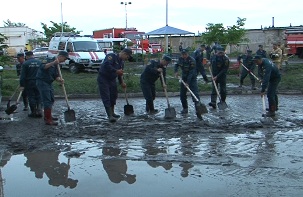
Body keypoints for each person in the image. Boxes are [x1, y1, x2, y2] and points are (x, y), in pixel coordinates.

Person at [97, 48, 133, 122]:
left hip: (112, 80)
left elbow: (120, 74)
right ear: (124, 53)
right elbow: (107, 65)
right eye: (127, 57)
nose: (127, 59)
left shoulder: (121, 63)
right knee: (106, 96)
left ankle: (112, 112)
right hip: (104, 78)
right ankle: (109, 115)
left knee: (113, 96)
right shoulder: (111, 56)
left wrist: (121, 82)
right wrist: (116, 71)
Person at [36, 51, 67, 125]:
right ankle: (48, 119)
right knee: (47, 100)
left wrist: (59, 79)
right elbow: (44, 67)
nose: (64, 61)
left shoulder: (57, 65)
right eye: (64, 59)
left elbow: (55, 75)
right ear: (61, 56)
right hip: (42, 82)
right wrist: (53, 63)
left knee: (51, 99)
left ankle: (49, 115)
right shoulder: (48, 60)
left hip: (49, 83)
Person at [174, 49, 201, 117]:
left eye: (185, 54)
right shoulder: (180, 59)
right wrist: (176, 71)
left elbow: (191, 73)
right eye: (183, 54)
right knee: (182, 94)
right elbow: (176, 65)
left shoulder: (192, 61)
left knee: (195, 93)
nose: (184, 56)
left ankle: (198, 109)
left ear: (187, 54)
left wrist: (188, 82)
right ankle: (185, 108)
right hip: (184, 77)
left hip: (192, 78)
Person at [19, 51, 42, 118]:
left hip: (29, 82)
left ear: (26, 56)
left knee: (31, 96)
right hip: (38, 81)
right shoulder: (39, 62)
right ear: (33, 55)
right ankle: (39, 110)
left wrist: (22, 85)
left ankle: (33, 112)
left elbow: (22, 76)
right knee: (38, 96)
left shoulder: (25, 63)